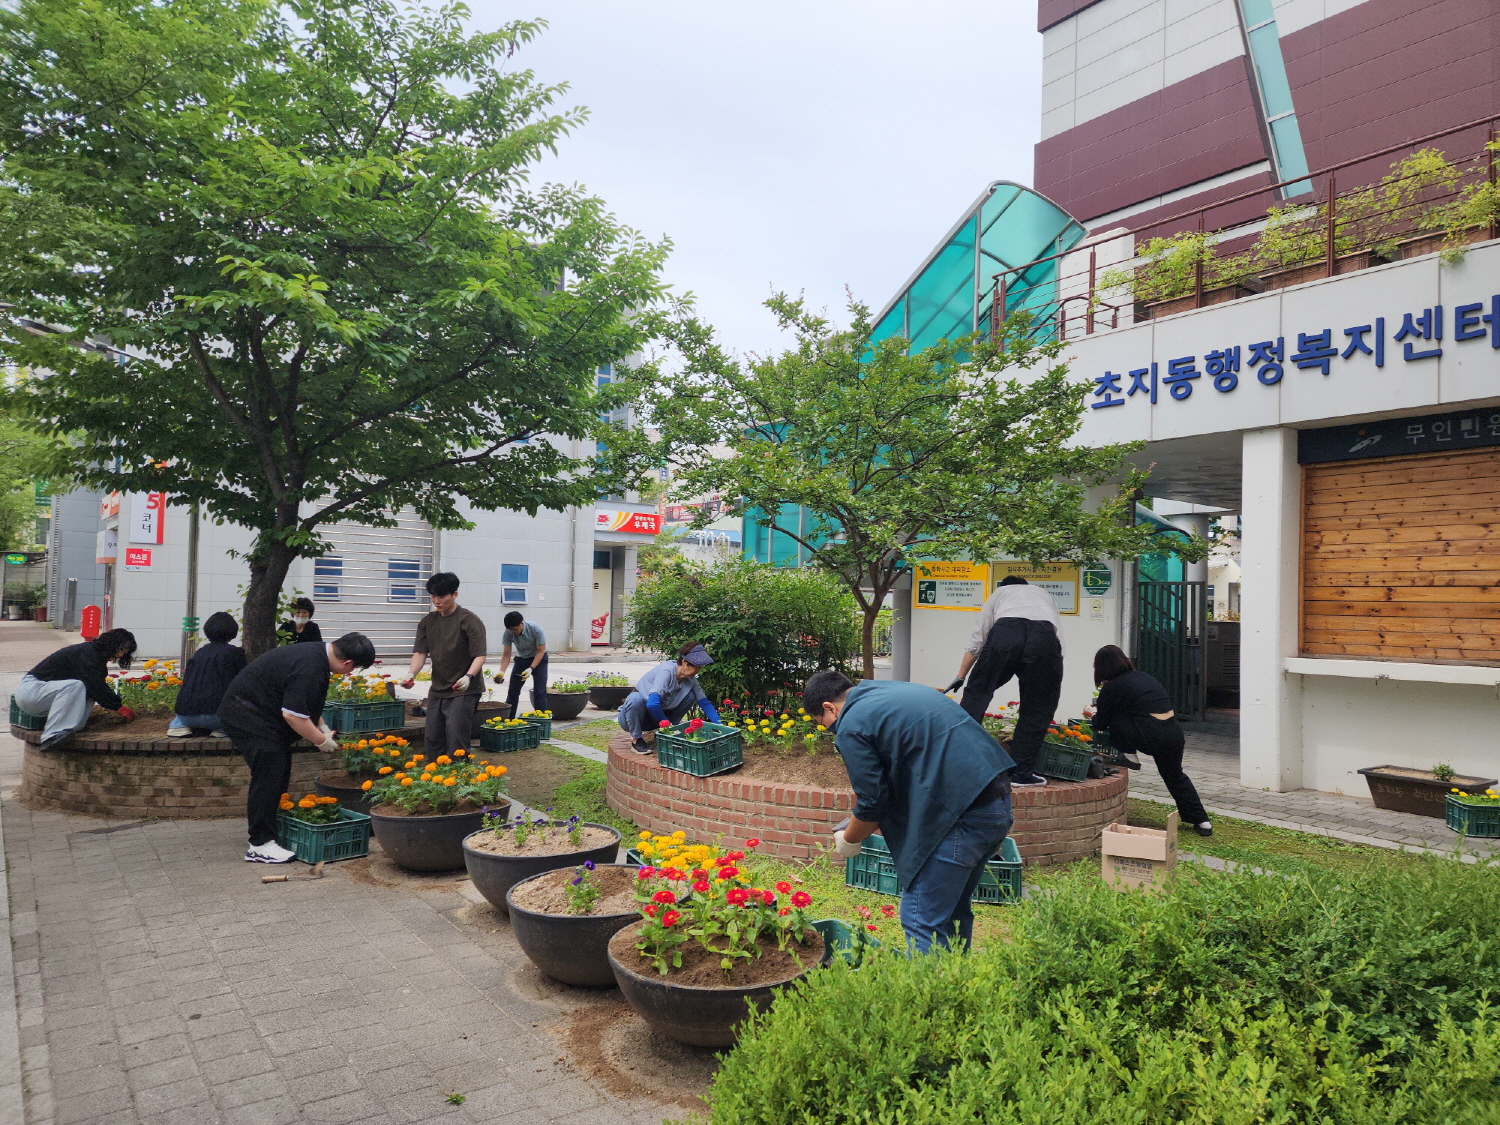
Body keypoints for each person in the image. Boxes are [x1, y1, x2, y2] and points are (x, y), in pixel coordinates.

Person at [805, 671, 1014, 954]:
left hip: (962, 814)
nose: (830, 729)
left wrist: (849, 840)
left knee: (922, 920)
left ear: (829, 707)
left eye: (824, 723)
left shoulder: (852, 724)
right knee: (952, 910)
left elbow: (872, 804)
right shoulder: (895, 691)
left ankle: (930, 996)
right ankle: (956, 987)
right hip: (996, 800)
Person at [219, 631, 376, 863]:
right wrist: (321, 741)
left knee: (279, 769)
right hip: (245, 714)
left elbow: (303, 703)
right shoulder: (310, 667)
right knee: (269, 772)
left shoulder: (316, 655)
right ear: (348, 663)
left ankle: (271, 830)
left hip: (256, 713)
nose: (350, 673)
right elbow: (293, 716)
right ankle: (259, 844)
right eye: (353, 669)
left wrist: (321, 726)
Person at [946, 576, 1063, 788]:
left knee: (977, 694)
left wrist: (961, 676)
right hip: (1044, 640)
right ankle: (1022, 774)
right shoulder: (1043, 595)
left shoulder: (1000, 593)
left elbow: (978, 638)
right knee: (1038, 707)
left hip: (1005, 633)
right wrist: (1051, 673)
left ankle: (959, 766)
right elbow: (1058, 637)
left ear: (1005, 586)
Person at [1090, 645, 1212, 837]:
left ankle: (1129, 755)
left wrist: (1092, 716)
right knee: (1175, 776)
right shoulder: (1143, 677)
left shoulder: (1112, 687)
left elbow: (1101, 722)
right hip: (1173, 734)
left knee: (1116, 715)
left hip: (1150, 735)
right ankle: (1202, 821)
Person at [405, 572, 487, 757]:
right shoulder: (428, 622)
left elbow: (480, 655)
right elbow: (420, 652)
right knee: (433, 737)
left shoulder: (469, 621)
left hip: (464, 689)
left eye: (441, 596)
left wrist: (468, 677)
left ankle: (459, 778)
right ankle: (436, 777)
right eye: (433, 596)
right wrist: (411, 674)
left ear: (454, 594)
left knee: (456, 735)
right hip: (438, 688)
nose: (436, 601)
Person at [17, 629, 139, 750]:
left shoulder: (93, 655)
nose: (122, 654)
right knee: (76, 686)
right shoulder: (88, 654)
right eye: (122, 649)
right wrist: (118, 706)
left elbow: (95, 689)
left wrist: (115, 705)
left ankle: (72, 729)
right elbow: (96, 685)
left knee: (87, 690)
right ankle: (52, 736)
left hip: (41, 695)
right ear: (113, 644)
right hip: (32, 691)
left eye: (125, 651)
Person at [617, 642, 723, 754]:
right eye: (696, 667)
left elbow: (704, 702)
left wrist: (720, 724)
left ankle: (665, 734)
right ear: (684, 662)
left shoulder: (690, 680)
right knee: (635, 698)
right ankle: (636, 740)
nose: (697, 671)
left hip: (655, 719)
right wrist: (667, 725)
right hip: (633, 719)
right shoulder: (666, 672)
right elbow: (652, 704)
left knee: (691, 696)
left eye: (699, 667)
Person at [168, 611, 248, 737]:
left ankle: (178, 727)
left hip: (185, 715)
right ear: (233, 632)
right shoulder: (235, 653)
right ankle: (220, 730)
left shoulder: (199, 653)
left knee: (181, 718)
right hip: (217, 715)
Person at [496, 611, 548, 717]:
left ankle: (541, 721)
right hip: (521, 659)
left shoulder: (536, 629)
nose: (512, 632)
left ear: (521, 624)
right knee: (513, 692)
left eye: (514, 629)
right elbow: (506, 655)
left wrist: (531, 668)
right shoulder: (508, 633)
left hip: (539, 659)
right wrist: (501, 672)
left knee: (539, 691)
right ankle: (509, 721)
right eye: (509, 630)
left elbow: (540, 651)